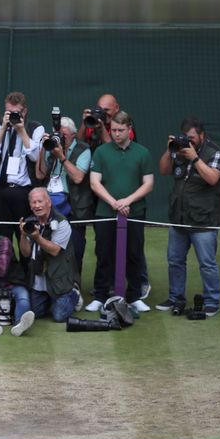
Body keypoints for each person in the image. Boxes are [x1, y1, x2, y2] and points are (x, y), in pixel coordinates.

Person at [156, 117, 220, 316]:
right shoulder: (179, 150)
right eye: (186, 138)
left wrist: (195, 158)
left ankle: (212, 301)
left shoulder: (216, 153)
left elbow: (212, 178)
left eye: (192, 138)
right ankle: (175, 298)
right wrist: (170, 151)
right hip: (179, 217)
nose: (189, 141)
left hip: (203, 220)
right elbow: (163, 170)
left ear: (201, 135)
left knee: (207, 263)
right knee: (175, 260)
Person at [85, 111, 154, 313]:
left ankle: (133, 297)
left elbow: (148, 184)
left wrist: (127, 201)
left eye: (120, 130)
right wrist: (114, 203)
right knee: (104, 253)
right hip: (105, 211)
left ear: (129, 129)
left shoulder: (142, 152)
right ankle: (100, 295)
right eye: (113, 130)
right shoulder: (101, 152)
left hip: (135, 212)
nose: (116, 134)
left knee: (134, 253)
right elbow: (94, 182)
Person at [35, 117, 92, 290]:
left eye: (64, 136)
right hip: (51, 204)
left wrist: (62, 157)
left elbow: (78, 177)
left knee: (75, 248)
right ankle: (47, 284)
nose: (61, 138)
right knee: (47, 245)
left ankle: (74, 284)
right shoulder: (51, 147)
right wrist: (42, 148)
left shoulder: (83, 149)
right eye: (59, 135)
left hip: (73, 207)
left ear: (74, 135)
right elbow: (40, 175)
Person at [0, 91, 44, 246]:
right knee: (3, 238)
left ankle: (27, 269)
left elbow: (35, 156)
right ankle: (7, 268)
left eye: (15, 112)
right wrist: (4, 126)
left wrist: (21, 130)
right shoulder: (1, 126)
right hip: (0, 189)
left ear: (24, 111)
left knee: (24, 234)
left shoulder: (35, 128)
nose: (11, 116)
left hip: (23, 191)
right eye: (8, 112)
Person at [19, 188, 78, 322]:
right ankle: (50, 301)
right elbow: (25, 252)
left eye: (40, 201)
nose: (37, 205)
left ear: (49, 202)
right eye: (33, 202)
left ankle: (74, 294)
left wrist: (37, 237)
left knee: (59, 316)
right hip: (39, 280)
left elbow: (55, 250)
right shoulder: (30, 222)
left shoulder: (62, 222)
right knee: (35, 313)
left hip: (58, 279)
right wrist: (23, 235)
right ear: (30, 206)